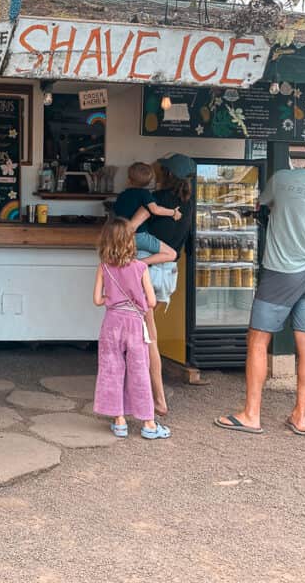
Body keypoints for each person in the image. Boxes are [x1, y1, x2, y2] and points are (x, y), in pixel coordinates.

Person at [216, 130, 305, 436]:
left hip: (281, 271)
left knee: (258, 340)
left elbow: (262, 205)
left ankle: (251, 414)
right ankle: (300, 416)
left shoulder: (283, 179)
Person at [129, 153, 196, 416]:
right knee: (144, 333)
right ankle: (141, 390)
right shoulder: (188, 205)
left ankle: (157, 398)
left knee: (148, 338)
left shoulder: (155, 201)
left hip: (147, 270)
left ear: (166, 174)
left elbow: (130, 228)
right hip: (168, 273)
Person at [92, 218, 171, 440]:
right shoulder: (141, 267)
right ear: (130, 241)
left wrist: (111, 299)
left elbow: (97, 299)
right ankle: (148, 423)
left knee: (111, 369)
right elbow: (152, 302)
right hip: (135, 323)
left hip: (112, 323)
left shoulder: (104, 266)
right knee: (139, 370)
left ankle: (119, 422)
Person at [112, 162, 182, 266]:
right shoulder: (144, 194)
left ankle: (132, 263)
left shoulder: (122, 195)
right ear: (148, 183)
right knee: (171, 254)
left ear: (129, 179)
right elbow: (155, 210)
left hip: (121, 236)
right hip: (139, 236)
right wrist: (173, 212)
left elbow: (116, 212)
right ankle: (138, 264)